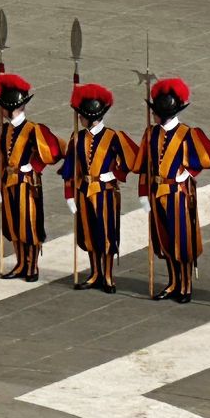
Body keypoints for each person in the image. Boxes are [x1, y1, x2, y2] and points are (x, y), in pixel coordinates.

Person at [138, 78, 210, 304]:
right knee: (164, 241)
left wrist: (189, 172)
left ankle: (185, 284)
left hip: (178, 195)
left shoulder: (187, 133)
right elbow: (145, 166)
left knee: (182, 242)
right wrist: (143, 193)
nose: (152, 114)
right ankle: (173, 282)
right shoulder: (151, 133)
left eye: (155, 112)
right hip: (157, 193)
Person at [60, 83, 139, 293]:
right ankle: (95, 273)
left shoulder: (114, 137)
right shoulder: (77, 137)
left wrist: (115, 174)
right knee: (88, 234)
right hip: (84, 190)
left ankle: (108, 276)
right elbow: (69, 167)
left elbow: (133, 158)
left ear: (91, 117)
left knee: (106, 234)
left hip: (105, 192)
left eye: (82, 115)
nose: (79, 118)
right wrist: (69, 195)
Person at [0, 72, 62, 281]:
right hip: (8, 182)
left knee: (29, 225)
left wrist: (33, 165)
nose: (1, 111)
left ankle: (32, 266)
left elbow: (54, 152)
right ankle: (20, 263)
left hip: (27, 184)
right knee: (13, 225)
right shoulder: (4, 130)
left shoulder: (33, 130)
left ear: (9, 108)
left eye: (3, 107)